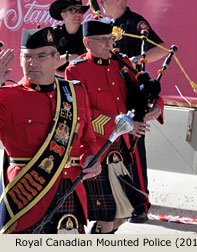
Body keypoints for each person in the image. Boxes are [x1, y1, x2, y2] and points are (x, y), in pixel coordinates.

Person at [0, 27, 101, 234]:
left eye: (41, 56)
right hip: (28, 197)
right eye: (27, 57)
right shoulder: (7, 97)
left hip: (70, 192)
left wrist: (92, 156)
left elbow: (88, 138)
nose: (33, 63)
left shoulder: (74, 92)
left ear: (57, 58)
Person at [65, 18, 164, 233]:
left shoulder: (122, 63)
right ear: (87, 42)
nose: (110, 45)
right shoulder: (76, 70)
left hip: (121, 150)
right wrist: (123, 125)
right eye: (103, 41)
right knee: (107, 218)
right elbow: (85, 113)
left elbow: (144, 88)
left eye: (111, 39)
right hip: (96, 148)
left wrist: (157, 106)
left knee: (124, 213)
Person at [100, 0, 167, 223]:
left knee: (134, 152)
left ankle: (140, 205)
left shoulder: (135, 22)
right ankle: (111, 201)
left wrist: (137, 60)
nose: (99, 3)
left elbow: (160, 48)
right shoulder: (102, 23)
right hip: (107, 96)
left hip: (131, 94)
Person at [49, 0, 89, 77]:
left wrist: (58, 73)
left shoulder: (88, 35)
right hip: (56, 84)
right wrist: (68, 57)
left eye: (80, 11)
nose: (77, 14)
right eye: (73, 10)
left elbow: (89, 67)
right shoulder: (54, 34)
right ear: (63, 15)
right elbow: (46, 65)